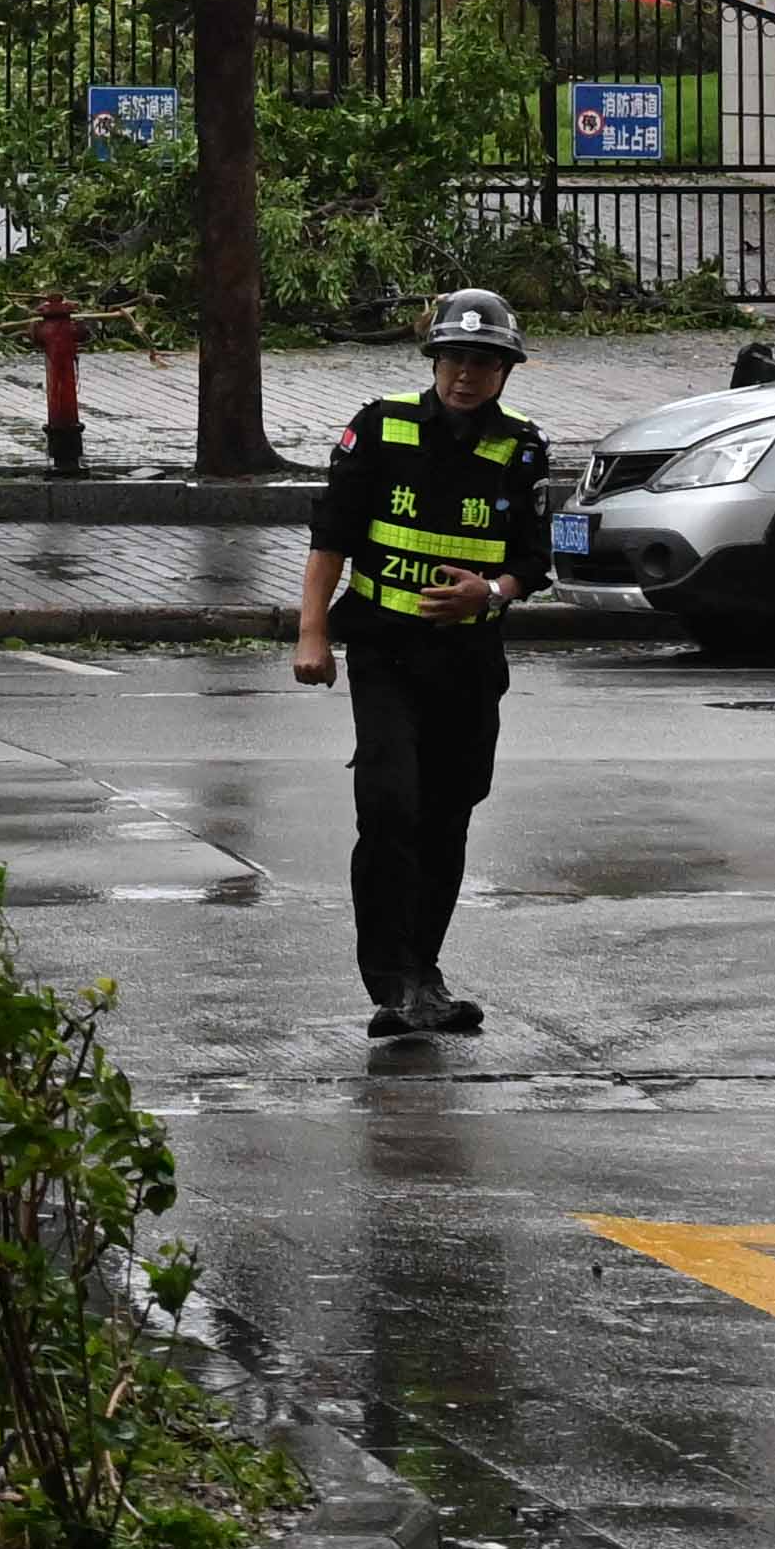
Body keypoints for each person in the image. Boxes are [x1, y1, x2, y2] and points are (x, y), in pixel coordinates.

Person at [293, 287, 553, 1043]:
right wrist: (312, 635)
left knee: (448, 815)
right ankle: (390, 982)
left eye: (483, 363)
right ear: (434, 361)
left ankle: (423, 976)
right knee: (388, 803)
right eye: (454, 360)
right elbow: (330, 536)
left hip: (469, 661)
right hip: (385, 651)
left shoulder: (522, 447)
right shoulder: (381, 427)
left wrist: (491, 593)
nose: (465, 376)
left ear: (506, 371)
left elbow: (533, 563)